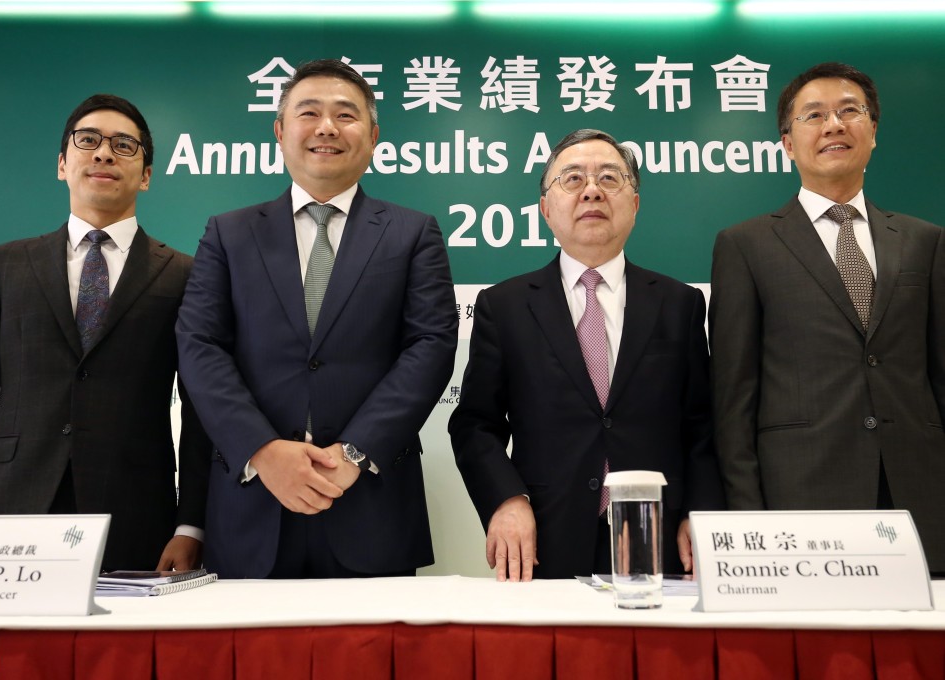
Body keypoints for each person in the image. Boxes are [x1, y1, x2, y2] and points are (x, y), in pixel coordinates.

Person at [176, 59, 458, 579]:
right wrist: (262, 451)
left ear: (373, 137)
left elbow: (431, 345)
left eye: (345, 115)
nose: (327, 127)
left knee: (374, 661)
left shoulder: (413, 233)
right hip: (250, 507)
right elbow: (199, 344)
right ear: (281, 132)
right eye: (309, 113)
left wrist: (353, 453)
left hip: (371, 503)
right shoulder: (229, 233)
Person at [0, 94, 211, 571]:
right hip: (6, 510)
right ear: (62, 164)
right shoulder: (5, 263)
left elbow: (202, 415)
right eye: (88, 141)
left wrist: (190, 526)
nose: (103, 153)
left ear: (145, 175)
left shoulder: (185, 274)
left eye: (124, 145)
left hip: (137, 512)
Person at [449, 129, 725, 581]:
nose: (592, 190)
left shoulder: (680, 304)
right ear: (545, 209)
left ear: (634, 205)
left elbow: (702, 425)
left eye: (610, 178)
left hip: (658, 536)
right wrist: (506, 499)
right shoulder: (506, 305)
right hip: (544, 537)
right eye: (572, 179)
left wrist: (698, 512)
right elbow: (475, 423)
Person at [709, 62, 945, 573]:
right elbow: (733, 399)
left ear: (873, 133)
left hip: (920, 497)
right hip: (802, 501)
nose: (834, 125)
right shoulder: (745, 246)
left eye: (849, 112)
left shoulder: (925, 241)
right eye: (814, 116)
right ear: (788, 144)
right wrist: (749, 523)